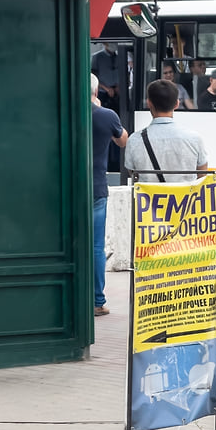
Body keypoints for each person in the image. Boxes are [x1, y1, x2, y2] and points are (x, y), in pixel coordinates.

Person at [90, 74, 128, 317]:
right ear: (96, 91)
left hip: (64, 192)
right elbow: (123, 141)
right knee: (95, 247)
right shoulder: (106, 116)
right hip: (96, 189)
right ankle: (97, 301)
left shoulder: (61, 112)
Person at [124, 80, 209, 183]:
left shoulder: (134, 140)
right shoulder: (194, 139)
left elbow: (133, 173)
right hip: (185, 198)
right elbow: (202, 175)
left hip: (149, 199)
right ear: (177, 104)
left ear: (149, 103)